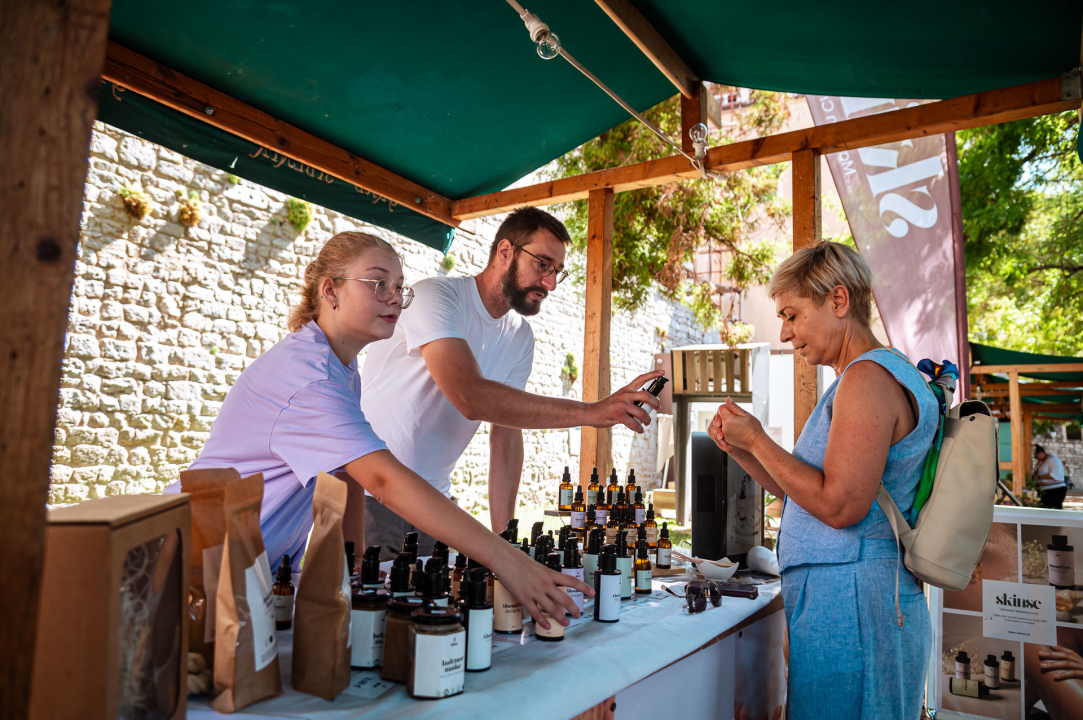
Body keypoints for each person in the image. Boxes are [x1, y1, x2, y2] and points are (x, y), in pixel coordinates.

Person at [167, 231, 591, 628]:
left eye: (399, 287)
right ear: (330, 291)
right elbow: (382, 479)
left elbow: (346, 477)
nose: (394, 298)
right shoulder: (309, 378)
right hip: (195, 572)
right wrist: (508, 561)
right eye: (378, 283)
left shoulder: (341, 369)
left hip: (246, 569)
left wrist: (350, 570)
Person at [706, 242, 937, 720]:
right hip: (847, 600)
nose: (786, 333)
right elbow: (799, 491)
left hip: (857, 602)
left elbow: (839, 506)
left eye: (792, 315)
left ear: (838, 301)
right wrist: (741, 447)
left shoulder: (868, 378)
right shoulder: (861, 376)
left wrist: (760, 439)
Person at [359, 207, 661, 558]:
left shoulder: (520, 337)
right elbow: (470, 396)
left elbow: (505, 435)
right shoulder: (436, 297)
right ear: (505, 252)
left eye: (557, 272)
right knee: (357, 611)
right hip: (369, 497)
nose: (550, 282)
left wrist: (506, 539)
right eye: (543, 265)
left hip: (435, 502)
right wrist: (592, 412)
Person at [1034, 444, 1068, 509]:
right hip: (1044, 490)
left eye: (1036, 455)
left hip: (1055, 490)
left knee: (1054, 509)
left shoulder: (1053, 460)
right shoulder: (1041, 461)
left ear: (1041, 452)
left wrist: (1039, 477)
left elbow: (1054, 475)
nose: (1036, 457)